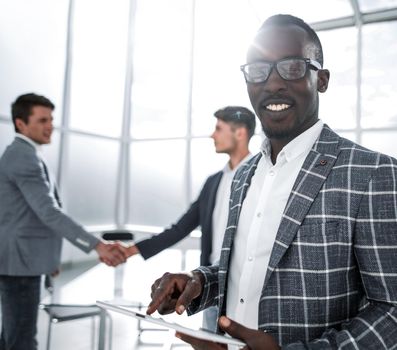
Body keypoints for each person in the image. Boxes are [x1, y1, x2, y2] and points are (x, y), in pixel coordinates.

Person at [146, 14, 397, 349]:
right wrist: (198, 282)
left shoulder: (373, 173)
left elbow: (391, 311)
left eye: (292, 67)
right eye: (258, 69)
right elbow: (249, 268)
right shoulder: (244, 176)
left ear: (321, 79)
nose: (272, 83)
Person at [0, 93, 128, 350]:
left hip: (24, 262)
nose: (50, 126)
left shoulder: (25, 154)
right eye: (42, 120)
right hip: (20, 265)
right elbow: (48, 212)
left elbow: (30, 217)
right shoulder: (24, 158)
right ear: (21, 124)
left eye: (51, 120)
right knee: (21, 341)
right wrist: (97, 246)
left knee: (14, 337)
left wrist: (47, 261)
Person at [125, 106, 256, 331]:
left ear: (240, 133)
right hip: (210, 286)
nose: (212, 135)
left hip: (246, 290)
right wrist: (131, 250)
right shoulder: (213, 182)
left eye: (218, 129)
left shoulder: (262, 176)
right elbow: (181, 228)